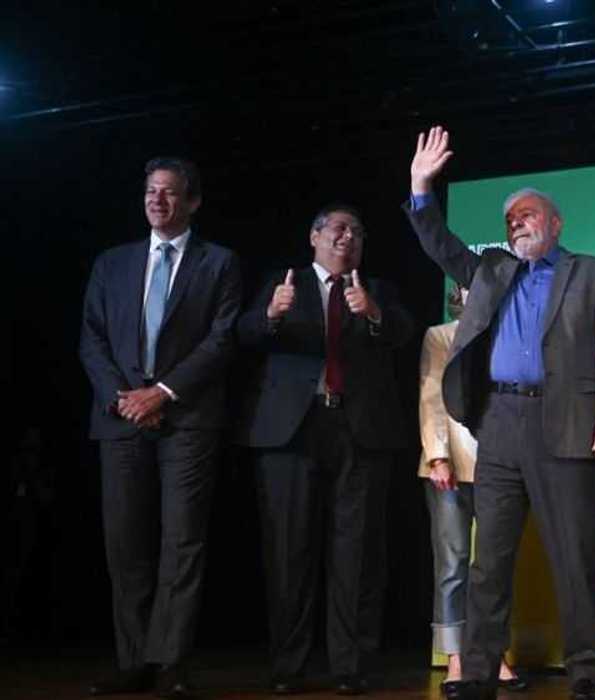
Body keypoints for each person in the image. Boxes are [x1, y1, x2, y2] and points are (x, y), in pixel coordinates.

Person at [403, 126, 595, 700]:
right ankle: (479, 673)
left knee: (575, 559)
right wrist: (420, 187)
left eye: (528, 214)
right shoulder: (491, 271)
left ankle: (586, 673)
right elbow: (439, 243)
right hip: (499, 426)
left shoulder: (592, 272)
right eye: (510, 219)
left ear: (556, 224)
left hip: (567, 426)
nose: (517, 223)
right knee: (489, 563)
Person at [235, 204, 415, 695]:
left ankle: (350, 666)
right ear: (314, 236)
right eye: (338, 228)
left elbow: (404, 334)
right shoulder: (283, 283)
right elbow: (244, 332)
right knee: (289, 550)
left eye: (357, 231)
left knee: (356, 553)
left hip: (360, 430)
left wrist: (373, 314)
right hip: (290, 430)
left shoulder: (377, 290)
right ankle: (288, 667)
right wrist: (272, 314)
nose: (348, 237)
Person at [79, 157, 241, 698]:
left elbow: (220, 340)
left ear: (192, 201)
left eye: (170, 193)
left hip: (186, 418)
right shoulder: (112, 263)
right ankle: (133, 661)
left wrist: (164, 392)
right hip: (121, 418)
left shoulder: (219, 263)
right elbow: (92, 340)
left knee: (182, 542)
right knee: (125, 544)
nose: (158, 200)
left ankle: (169, 661)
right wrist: (124, 400)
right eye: (151, 191)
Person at [418, 285, 523, 695]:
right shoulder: (440, 335)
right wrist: (438, 456)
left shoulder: (509, 334)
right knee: (453, 562)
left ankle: (494, 656)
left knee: (494, 566)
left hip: (500, 464)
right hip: (451, 464)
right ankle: (456, 659)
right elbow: (431, 399)